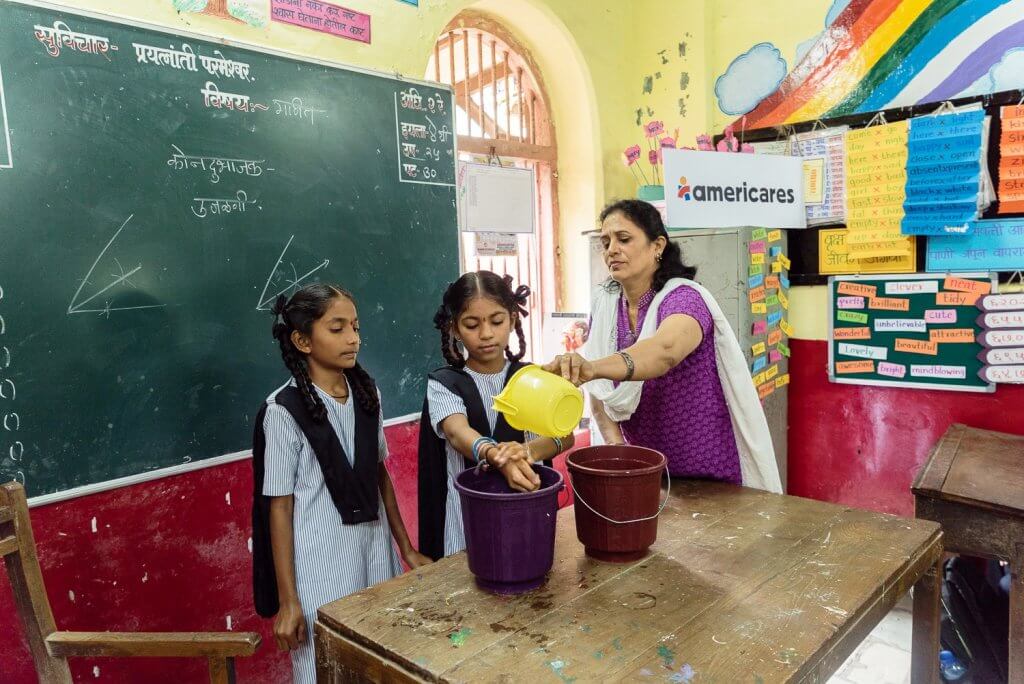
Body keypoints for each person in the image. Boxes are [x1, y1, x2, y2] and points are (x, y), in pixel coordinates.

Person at [251, 284, 431, 683]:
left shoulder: (367, 393)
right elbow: (278, 507)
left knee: (379, 660)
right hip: (319, 565)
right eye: (337, 328)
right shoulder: (282, 411)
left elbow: (379, 473)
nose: (353, 338)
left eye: (355, 326)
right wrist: (289, 600)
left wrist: (406, 549)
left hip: (375, 552)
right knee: (325, 668)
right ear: (302, 340)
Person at [544, 200, 780, 492]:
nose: (611, 250)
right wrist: (623, 460)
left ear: (657, 245)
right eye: (605, 242)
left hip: (705, 477)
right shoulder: (606, 304)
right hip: (643, 475)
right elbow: (600, 395)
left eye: (624, 239)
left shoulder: (685, 299)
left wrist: (591, 368)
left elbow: (664, 351)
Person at [418, 271, 575, 560]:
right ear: (454, 328)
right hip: (466, 523)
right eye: (472, 324)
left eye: (497, 321)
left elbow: (563, 436)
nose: (487, 334)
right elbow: (456, 431)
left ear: (513, 318)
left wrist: (527, 451)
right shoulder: (444, 384)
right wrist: (494, 454)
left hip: (529, 507)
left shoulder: (532, 377)